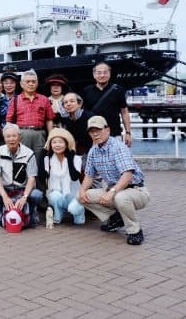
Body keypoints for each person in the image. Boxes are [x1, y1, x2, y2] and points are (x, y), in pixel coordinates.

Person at [78, 116, 149, 245]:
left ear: (108, 130)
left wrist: (111, 192)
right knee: (82, 197)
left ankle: (135, 231)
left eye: (98, 130)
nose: (95, 134)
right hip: (114, 191)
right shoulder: (93, 151)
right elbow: (89, 176)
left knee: (120, 197)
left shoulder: (118, 147)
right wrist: (82, 190)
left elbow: (127, 175)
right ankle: (115, 218)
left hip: (136, 190)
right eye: (92, 131)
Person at [6, 69, 54, 193]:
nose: (31, 84)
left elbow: (49, 120)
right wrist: (11, 139)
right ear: (22, 84)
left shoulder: (44, 99)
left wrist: (51, 138)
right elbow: (9, 122)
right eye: (28, 82)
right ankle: (21, 193)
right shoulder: (15, 100)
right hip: (21, 134)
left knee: (39, 164)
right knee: (21, 163)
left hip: (40, 135)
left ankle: (40, 194)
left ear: (37, 83)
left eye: (33, 81)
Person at [0, 124, 43, 228]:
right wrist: (5, 197)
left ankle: (31, 212)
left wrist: (24, 197)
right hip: (6, 188)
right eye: (8, 136)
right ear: (4, 138)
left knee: (37, 195)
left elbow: (32, 178)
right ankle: (2, 212)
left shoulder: (29, 153)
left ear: (19, 137)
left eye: (14, 136)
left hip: (23, 188)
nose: (11, 139)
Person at [82, 62, 132, 147]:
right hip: (93, 135)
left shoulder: (118, 90)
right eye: (99, 73)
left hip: (114, 133)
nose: (102, 75)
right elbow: (83, 113)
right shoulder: (87, 91)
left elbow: (124, 112)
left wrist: (128, 133)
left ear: (110, 74)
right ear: (94, 75)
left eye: (105, 72)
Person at [43, 128, 85, 225]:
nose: (57, 145)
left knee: (76, 216)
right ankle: (59, 213)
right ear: (50, 145)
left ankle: (79, 212)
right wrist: (42, 155)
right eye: (54, 142)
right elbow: (42, 176)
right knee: (54, 196)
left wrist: (70, 158)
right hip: (59, 194)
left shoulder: (76, 158)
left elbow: (74, 177)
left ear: (66, 144)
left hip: (74, 195)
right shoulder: (48, 159)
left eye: (60, 142)